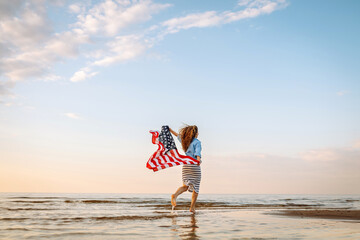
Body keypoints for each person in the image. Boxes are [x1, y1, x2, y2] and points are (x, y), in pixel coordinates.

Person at [169, 125, 202, 213]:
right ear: (195, 133)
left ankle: (175, 195)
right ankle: (192, 208)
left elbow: (178, 136)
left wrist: (170, 129)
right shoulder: (197, 142)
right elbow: (197, 152)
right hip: (194, 164)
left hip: (186, 165)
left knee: (185, 186)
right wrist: (198, 160)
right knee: (196, 188)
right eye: (197, 132)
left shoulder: (185, 141)